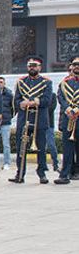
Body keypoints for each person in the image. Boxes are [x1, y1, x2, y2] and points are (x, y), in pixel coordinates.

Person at [9, 56, 52, 184]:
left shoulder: (46, 82)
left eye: (35, 66)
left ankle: (42, 173)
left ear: (40, 67)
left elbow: (47, 100)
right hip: (24, 119)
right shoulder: (21, 82)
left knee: (41, 148)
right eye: (30, 66)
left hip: (40, 119)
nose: (32, 68)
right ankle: (20, 173)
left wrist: (35, 102)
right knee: (21, 148)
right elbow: (16, 100)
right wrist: (21, 103)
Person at [55, 56, 79, 185]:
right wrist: (68, 109)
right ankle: (65, 174)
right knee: (67, 149)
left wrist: (77, 109)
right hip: (68, 118)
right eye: (74, 64)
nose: (77, 66)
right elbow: (60, 97)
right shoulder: (64, 83)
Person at [0, 76, 14, 171]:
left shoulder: (9, 94)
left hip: (6, 122)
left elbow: (13, 107)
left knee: (6, 144)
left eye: (1, 82)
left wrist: (9, 116)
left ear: (4, 83)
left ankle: (6, 163)